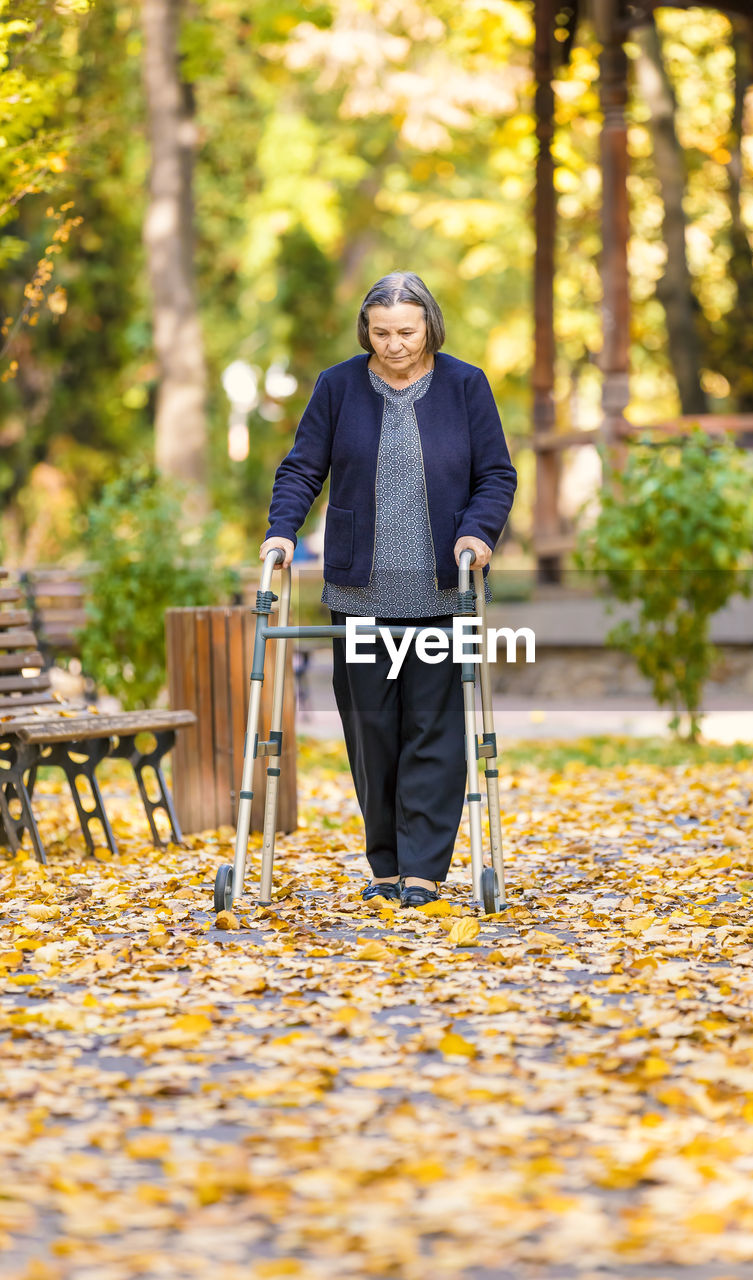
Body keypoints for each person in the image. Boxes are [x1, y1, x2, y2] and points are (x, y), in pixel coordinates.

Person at [260, 271, 516, 907]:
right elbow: (301, 468)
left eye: (406, 331)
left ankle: (424, 871)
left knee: (432, 729)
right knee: (372, 734)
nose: (395, 344)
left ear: (429, 324)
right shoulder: (339, 386)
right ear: (365, 331)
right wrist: (282, 532)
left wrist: (479, 534)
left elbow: (497, 475)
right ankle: (386, 865)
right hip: (361, 595)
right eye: (381, 333)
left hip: (439, 595)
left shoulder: (465, 385)